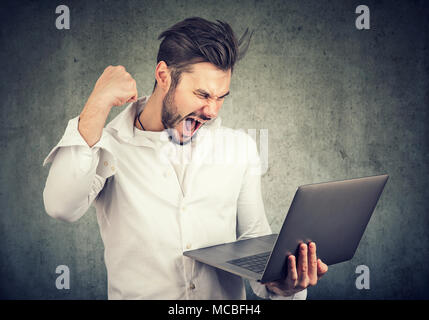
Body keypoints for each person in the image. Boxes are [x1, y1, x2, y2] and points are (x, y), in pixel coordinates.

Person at [42, 17, 328, 300]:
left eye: (221, 97)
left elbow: (253, 239)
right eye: (202, 94)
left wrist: (283, 286)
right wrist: (97, 102)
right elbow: (61, 206)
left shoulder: (239, 147)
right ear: (163, 76)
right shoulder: (108, 146)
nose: (212, 111)